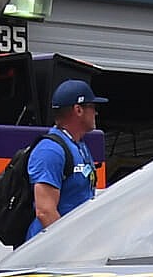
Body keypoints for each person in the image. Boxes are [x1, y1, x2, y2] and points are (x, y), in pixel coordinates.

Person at [28, 79, 107, 238]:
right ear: (78, 110)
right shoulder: (50, 150)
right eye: (92, 107)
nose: (96, 113)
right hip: (51, 253)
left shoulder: (80, 146)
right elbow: (45, 211)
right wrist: (70, 246)